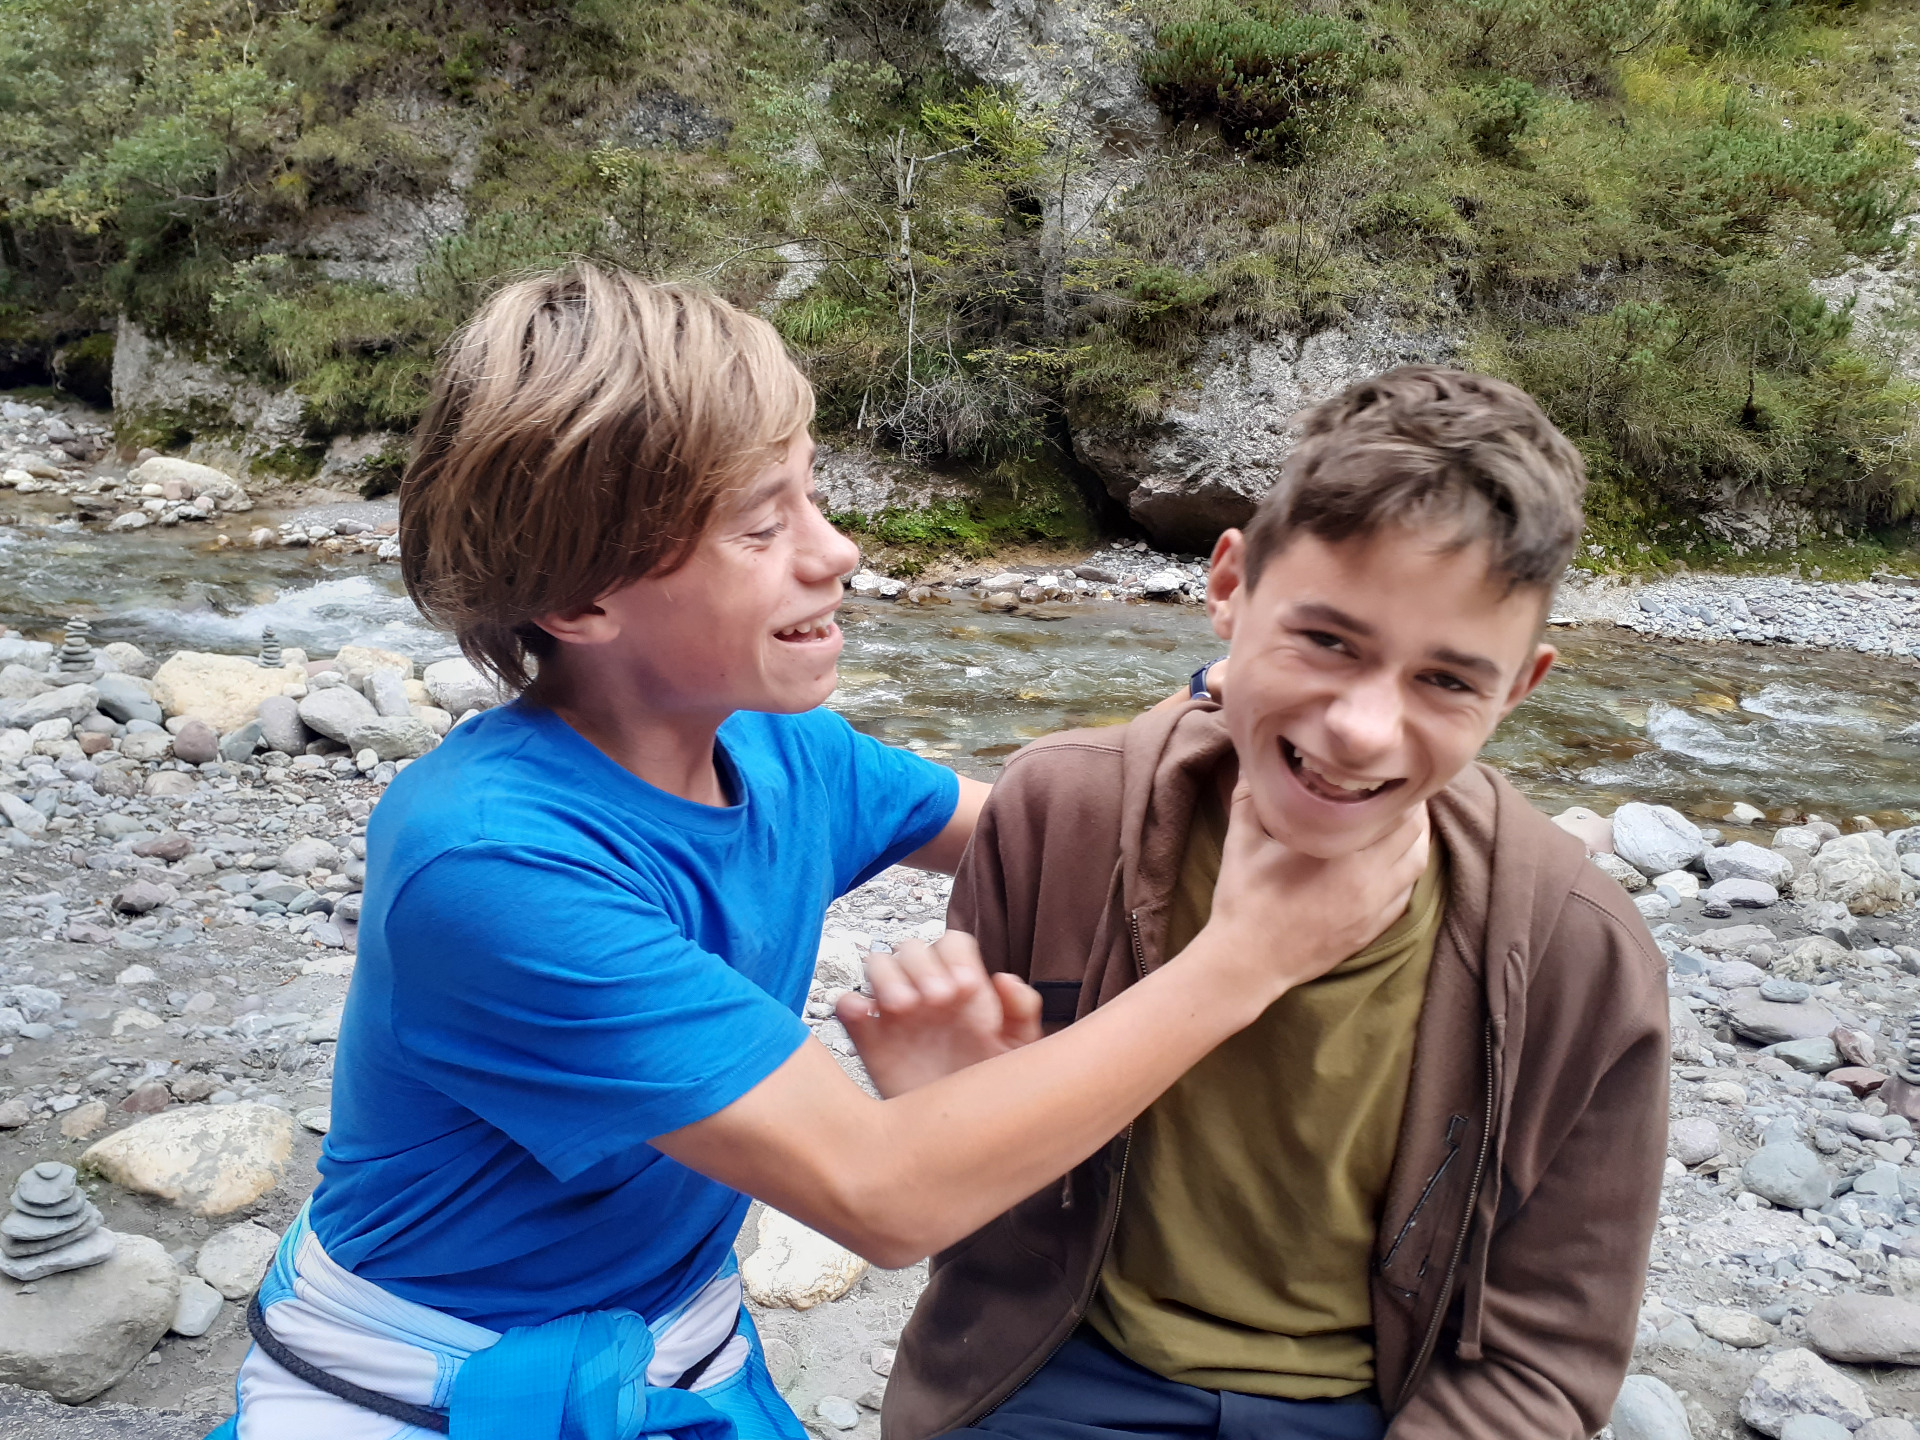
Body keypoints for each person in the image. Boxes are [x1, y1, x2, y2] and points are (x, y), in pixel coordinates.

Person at [207, 265, 1431, 1440]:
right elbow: (884, 1196)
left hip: (681, 1342)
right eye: (762, 526)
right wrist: (1251, 959)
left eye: (812, 493)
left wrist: (1261, 691)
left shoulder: (783, 752)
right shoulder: (492, 867)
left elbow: (1065, 822)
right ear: (580, 604)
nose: (836, 550)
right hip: (428, 1390)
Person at [858, 368, 1671, 1440]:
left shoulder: (1578, 949)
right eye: (1327, 641)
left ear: (1520, 687)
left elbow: (1544, 1356)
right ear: (1230, 587)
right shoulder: (1059, 818)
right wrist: (952, 1117)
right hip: (1059, 1367)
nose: (1362, 731)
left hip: (1380, 1406)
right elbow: (984, 1237)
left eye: (1447, 680)